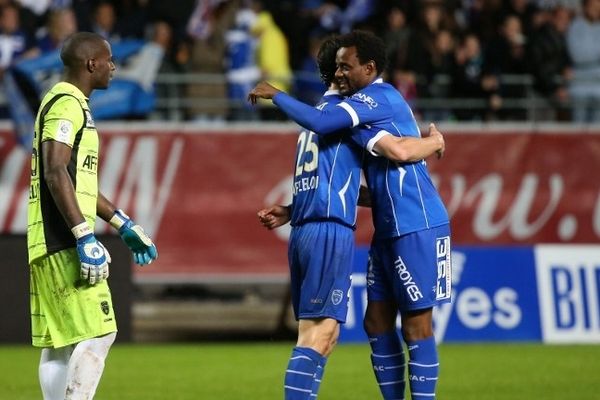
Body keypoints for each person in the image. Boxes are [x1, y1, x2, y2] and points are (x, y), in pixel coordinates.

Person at [250, 30, 451, 400]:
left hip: (418, 221)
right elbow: (358, 173)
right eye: (338, 66)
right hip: (384, 227)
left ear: (369, 68)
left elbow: (401, 151)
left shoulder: (378, 98)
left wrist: (435, 142)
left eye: (348, 66)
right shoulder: (349, 115)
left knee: (416, 326)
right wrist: (295, 209)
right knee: (374, 322)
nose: (342, 72)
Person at [27, 32, 158, 400]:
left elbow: (75, 180)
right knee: (101, 332)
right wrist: (84, 235)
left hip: (48, 238)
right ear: (91, 64)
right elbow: (55, 170)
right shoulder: (67, 103)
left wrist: (122, 223)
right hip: (63, 239)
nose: (114, 66)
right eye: (109, 59)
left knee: (59, 344)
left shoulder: (63, 102)